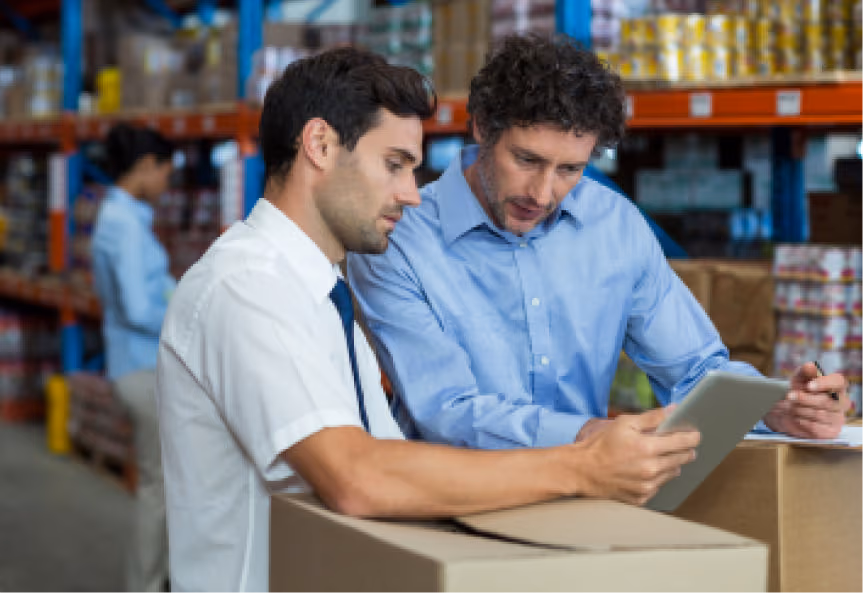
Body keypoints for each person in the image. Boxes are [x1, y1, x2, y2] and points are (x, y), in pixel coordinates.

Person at [155, 47, 701, 593]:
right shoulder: (248, 286)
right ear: (319, 145)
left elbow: (389, 460)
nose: (412, 194)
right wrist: (581, 466)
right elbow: (358, 477)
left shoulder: (318, 292)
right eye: (394, 165)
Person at [346, 34, 850, 451]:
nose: (543, 194)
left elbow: (695, 369)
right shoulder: (398, 236)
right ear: (481, 129)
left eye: (570, 169)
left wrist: (773, 406)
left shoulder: (614, 225)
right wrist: (594, 436)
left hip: (589, 497)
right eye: (527, 160)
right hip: (447, 508)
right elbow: (447, 411)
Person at [91, 123, 175, 593]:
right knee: (156, 488)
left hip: (143, 363)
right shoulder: (121, 224)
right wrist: (190, 320)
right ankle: (145, 584)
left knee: (161, 485)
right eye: (165, 171)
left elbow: (152, 290)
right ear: (144, 167)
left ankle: (158, 577)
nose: (167, 184)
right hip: (139, 366)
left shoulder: (127, 218)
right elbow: (138, 307)